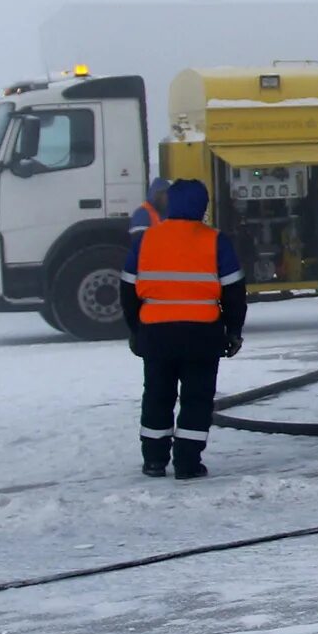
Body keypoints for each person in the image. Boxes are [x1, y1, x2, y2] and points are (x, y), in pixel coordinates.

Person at [123, 177, 244, 479]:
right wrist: (233, 331)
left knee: (157, 395)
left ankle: (153, 460)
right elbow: (234, 292)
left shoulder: (146, 240)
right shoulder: (215, 240)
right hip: (202, 335)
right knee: (197, 398)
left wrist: (135, 329)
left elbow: (126, 289)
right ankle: (188, 463)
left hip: (156, 334)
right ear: (203, 206)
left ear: (169, 203)